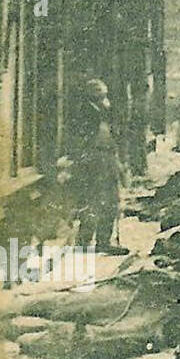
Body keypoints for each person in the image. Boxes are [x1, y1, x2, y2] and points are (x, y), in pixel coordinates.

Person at [72, 79, 127, 255]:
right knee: (93, 200)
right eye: (100, 95)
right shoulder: (85, 112)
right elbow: (82, 140)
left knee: (111, 200)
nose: (104, 99)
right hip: (94, 160)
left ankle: (104, 240)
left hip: (108, 157)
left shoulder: (104, 112)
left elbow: (113, 136)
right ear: (93, 96)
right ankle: (83, 241)